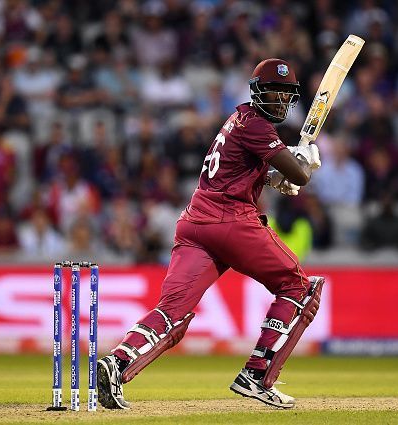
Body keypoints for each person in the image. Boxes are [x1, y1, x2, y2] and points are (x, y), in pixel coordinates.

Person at [96, 59, 323, 410]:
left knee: (174, 312)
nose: (280, 100)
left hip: (194, 222)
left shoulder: (238, 119)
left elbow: (251, 169)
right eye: (274, 92)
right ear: (258, 92)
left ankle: (118, 362)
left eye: (286, 94)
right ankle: (257, 375)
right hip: (231, 221)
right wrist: (304, 161)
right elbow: (301, 177)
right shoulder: (259, 126)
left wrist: (275, 174)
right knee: (300, 288)